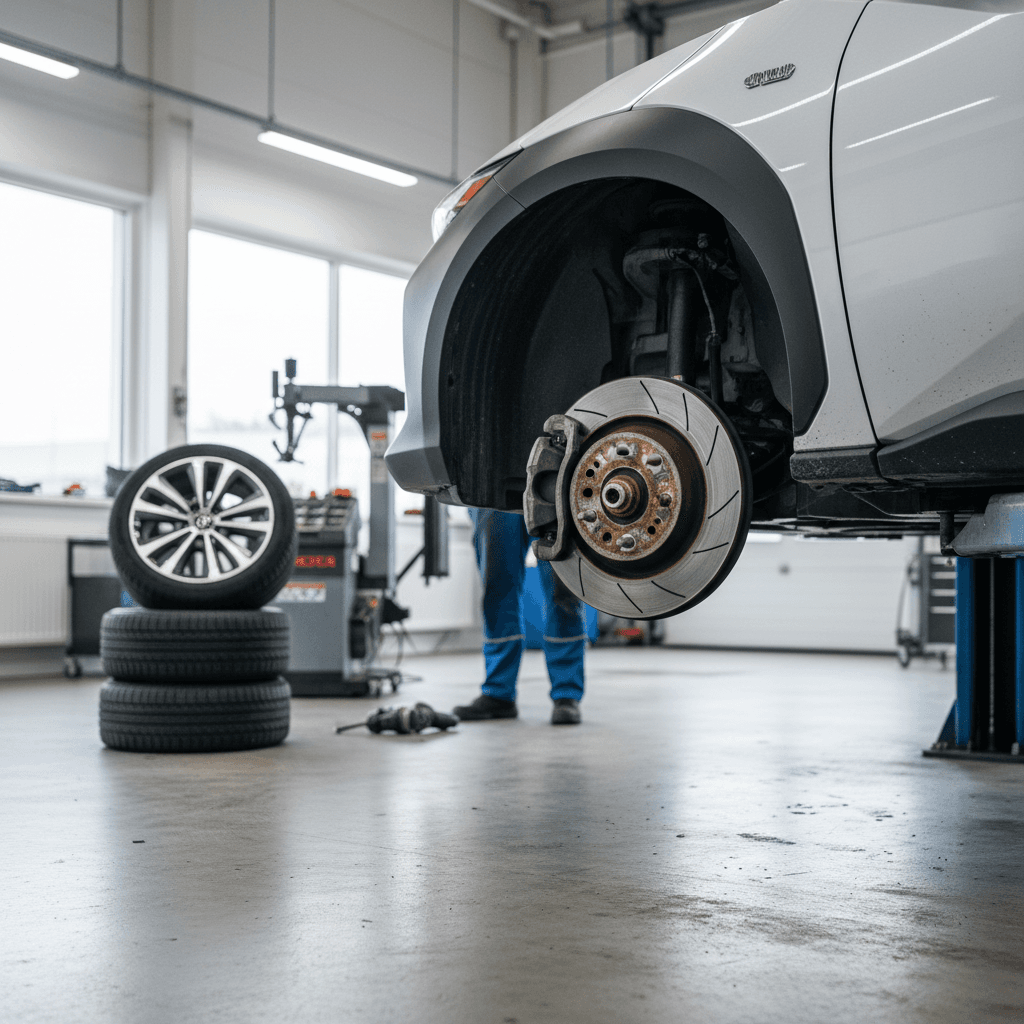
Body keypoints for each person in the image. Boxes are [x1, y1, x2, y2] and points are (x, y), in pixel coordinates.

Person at [454, 508, 587, 725]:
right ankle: (498, 692)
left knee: (564, 589)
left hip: (552, 481)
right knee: (496, 587)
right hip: (492, 486)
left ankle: (567, 695)